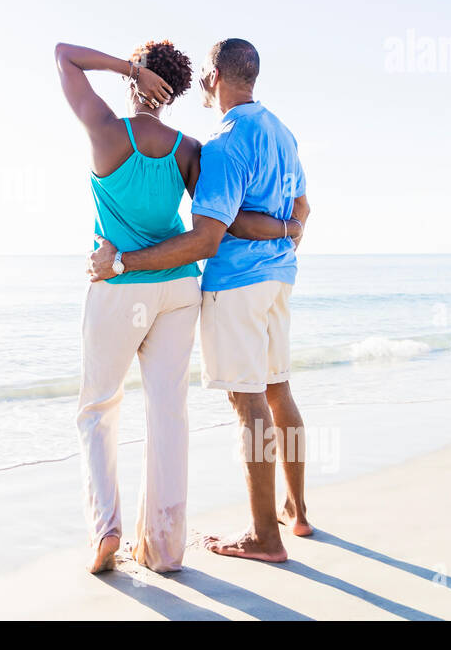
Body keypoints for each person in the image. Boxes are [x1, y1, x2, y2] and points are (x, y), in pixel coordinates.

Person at [55, 40, 291, 573]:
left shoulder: (106, 131)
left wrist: (126, 68)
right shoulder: (191, 150)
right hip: (179, 289)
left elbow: (63, 55)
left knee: (97, 408)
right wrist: (286, 227)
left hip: (117, 286)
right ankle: (163, 549)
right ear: (179, 89)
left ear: (136, 80)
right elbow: (220, 224)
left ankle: (106, 531)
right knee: (168, 413)